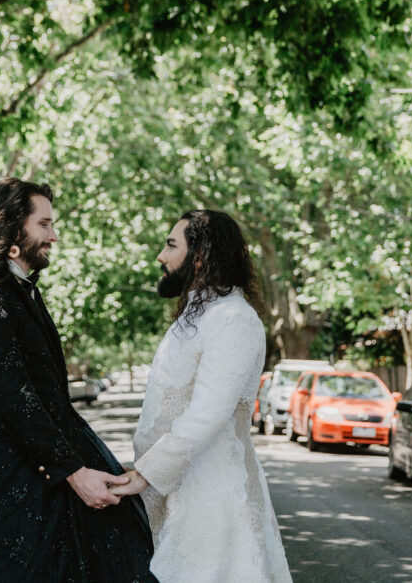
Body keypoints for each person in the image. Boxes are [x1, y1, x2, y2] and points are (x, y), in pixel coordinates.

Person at [0, 178, 155, 582]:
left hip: (62, 448)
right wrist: (74, 472)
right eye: (44, 224)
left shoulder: (23, 292)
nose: (53, 235)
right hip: (21, 467)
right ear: (12, 230)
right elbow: (15, 400)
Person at [111, 210, 292, 582]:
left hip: (216, 505)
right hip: (183, 496)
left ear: (200, 256)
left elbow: (207, 414)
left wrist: (145, 474)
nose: (161, 257)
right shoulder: (200, 315)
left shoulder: (233, 319)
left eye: (170, 245)